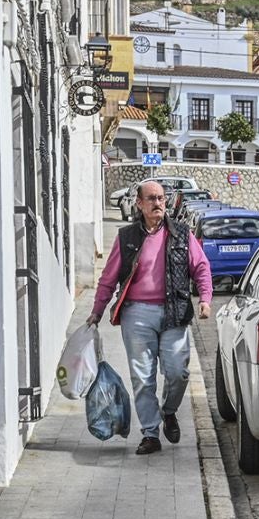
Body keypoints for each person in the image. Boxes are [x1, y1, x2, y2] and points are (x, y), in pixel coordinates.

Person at [90, 179, 212, 456]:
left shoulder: (181, 233)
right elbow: (108, 279)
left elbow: (201, 267)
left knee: (178, 372)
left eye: (162, 198)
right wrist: (96, 312)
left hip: (174, 312)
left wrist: (205, 299)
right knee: (143, 377)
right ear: (139, 204)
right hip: (137, 313)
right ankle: (150, 433)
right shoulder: (127, 237)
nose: (158, 203)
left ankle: (169, 411)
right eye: (152, 198)